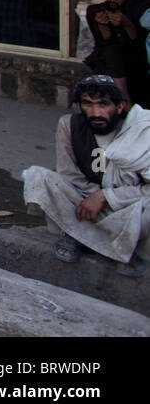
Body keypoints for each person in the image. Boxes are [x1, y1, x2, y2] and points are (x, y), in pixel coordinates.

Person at [23, 75, 150, 277]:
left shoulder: (139, 132)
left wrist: (105, 197)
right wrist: (91, 198)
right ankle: (86, 235)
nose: (95, 112)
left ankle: (83, 236)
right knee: (37, 177)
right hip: (82, 203)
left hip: (124, 207)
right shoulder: (69, 125)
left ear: (120, 107)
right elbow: (68, 173)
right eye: (88, 104)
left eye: (104, 104)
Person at [84, 0, 150, 107]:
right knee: (112, 55)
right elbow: (105, 44)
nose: (112, 0)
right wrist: (103, 26)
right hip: (110, 59)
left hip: (135, 58)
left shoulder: (138, 9)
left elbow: (139, 44)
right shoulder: (96, 10)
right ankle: (126, 104)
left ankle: (127, 104)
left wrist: (127, 24)